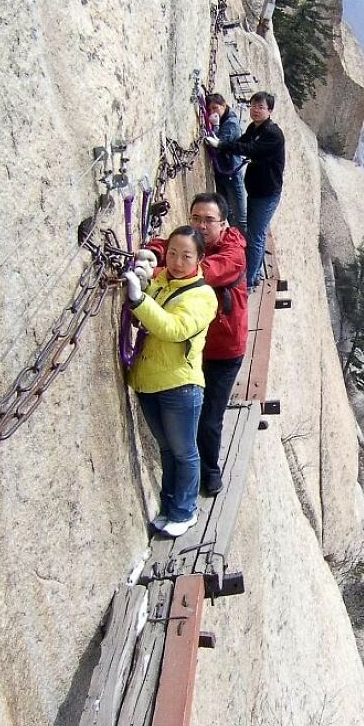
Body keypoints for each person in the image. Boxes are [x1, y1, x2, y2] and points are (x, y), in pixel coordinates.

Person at [135, 193, 248, 496]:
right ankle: (191, 478)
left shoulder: (233, 254)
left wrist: (155, 270)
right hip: (191, 351)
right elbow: (174, 246)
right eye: (195, 218)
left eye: (209, 220)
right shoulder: (193, 247)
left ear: (223, 224)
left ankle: (210, 476)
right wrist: (152, 250)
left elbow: (200, 271)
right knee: (190, 422)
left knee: (209, 419)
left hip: (222, 351)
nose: (201, 224)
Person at [123, 226, 218, 538]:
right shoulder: (164, 280)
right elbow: (150, 302)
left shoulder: (204, 296)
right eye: (173, 253)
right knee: (167, 450)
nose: (177, 261)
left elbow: (175, 329)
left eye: (186, 255)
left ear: (200, 259)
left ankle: (185, 511)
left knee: (184, 451)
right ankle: (168, 508)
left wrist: (138, 300)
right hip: (150, 380)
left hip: (180, 384)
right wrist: (145, 278)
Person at [215, 91, 285, 288]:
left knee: (256, 235)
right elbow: (242, 143)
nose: (255, 110)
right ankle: (250, 274)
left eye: (260, 107)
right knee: (254, 233)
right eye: (253, 105)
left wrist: (221, 144)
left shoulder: (273, 134)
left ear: (269, 111)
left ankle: (249, 281)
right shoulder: (255, 128)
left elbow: (250, 150)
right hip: (256, 190)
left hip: (267, 193)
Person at [204, 93, 246, 233]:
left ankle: (249, 249)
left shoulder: (231, 123)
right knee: (227, 212)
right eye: (210, 110)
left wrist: (215, 127)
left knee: (240, 216)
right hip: (223, 172)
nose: (213, 112)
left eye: (216, 108)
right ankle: (237, 241)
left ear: (224, 105)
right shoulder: (225, 120)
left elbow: (221, 144)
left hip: (231, 173)